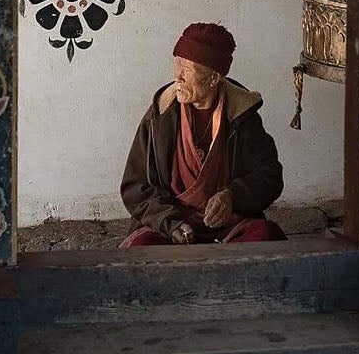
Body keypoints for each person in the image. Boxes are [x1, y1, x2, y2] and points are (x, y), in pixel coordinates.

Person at [118, 23, 285, 246]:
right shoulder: (161, 114)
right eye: (176, 64)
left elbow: (270, 175)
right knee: (143, 249)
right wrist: (169, 222)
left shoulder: (241, 115)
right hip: (171, 225)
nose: (178, 76)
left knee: (265, 237)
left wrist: (233, 197)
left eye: (187, 70)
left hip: (228, 223)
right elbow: (135, 186)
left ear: (213, 78)